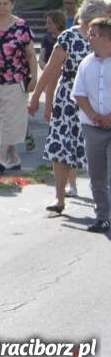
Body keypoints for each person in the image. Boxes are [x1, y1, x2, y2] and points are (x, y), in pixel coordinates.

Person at [29, 0, 111, 211]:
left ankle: (101, 201)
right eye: (106, 13)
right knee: (62, 147)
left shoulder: (106, 36)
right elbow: (51, 70)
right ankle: (59, 197)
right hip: (68, 101)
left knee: (99, 152)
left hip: (99, 103)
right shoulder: (69, 37)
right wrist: (38, 98)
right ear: (94, 14)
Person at [0, 0, 37, 172]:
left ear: (12, 4)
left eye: (5, 3)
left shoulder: (21, 26)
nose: (2, 6)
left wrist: (34, 77)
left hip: (16, 80)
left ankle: (2, 156)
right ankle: (15, 157)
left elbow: (30, 55)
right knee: (2, 120)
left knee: (10, 119)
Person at [72, 16, 111, 233]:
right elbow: (79, 93)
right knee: (96, 176)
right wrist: (93, 114)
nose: (88, 37)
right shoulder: (86, 63)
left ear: (105, 39)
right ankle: (102, 217)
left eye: (92, 34)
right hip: (92, 127)